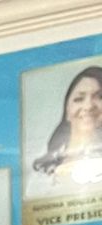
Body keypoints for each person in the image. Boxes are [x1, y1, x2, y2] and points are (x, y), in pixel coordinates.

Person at [31, 65, 102, 193]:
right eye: (79, 99)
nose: (88, 106)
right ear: (67, 110)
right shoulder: (42, 172)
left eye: (100, 97)